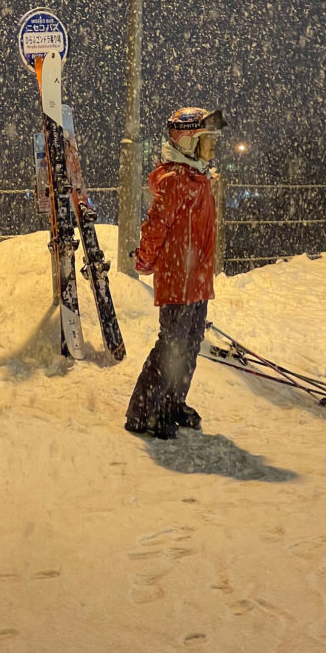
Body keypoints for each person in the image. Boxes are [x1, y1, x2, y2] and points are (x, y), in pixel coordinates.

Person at [125, 106, 227, 439]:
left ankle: (171, 404)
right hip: (177, 279)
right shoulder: (176, 181)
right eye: (206, 140)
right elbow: (155, 227)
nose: (212, 147)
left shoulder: (198, 178)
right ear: (187, 142)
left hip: (196, 280)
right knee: (170, 347)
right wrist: (144, 260)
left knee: (189, 345)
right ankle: (144, 413)